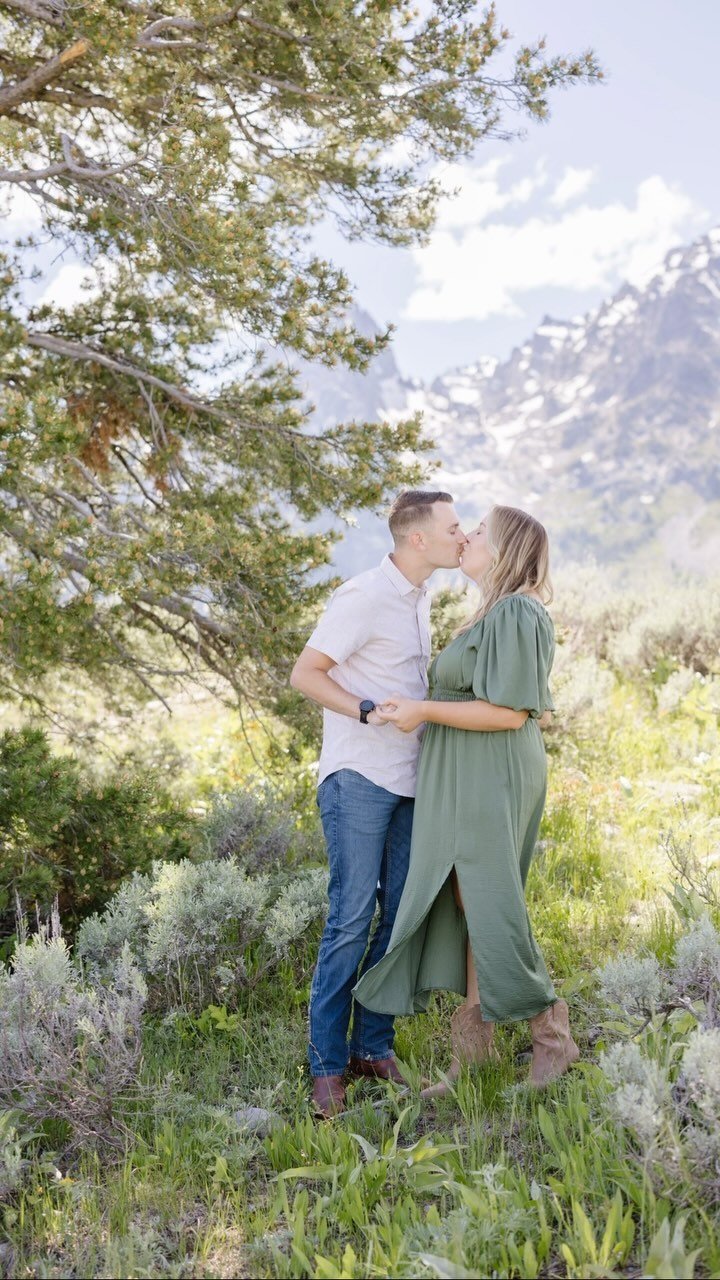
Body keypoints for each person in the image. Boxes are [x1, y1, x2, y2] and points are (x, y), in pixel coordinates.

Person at [354, 505, 580, 1093]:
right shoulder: (493, 612)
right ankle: (471, 1055)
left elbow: (509, 712)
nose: (467, 536)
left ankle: (552, 1038)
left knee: (487, 894)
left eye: (478, 531)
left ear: (502, 550)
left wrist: (424, 710)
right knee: (469, 897)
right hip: (467, 770)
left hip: (490, 770)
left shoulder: (517, 611)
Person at [290, 490, 467, 1118]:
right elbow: (306, 674)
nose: (461, 535)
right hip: (359, 777)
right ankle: (327, 1068)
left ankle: (372, 1047)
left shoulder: (420, 598)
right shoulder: (363, 595)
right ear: (417, 538)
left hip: (410, 781)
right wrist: (365, 709)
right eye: (452, 527)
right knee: (349, 918)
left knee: (398, 917)